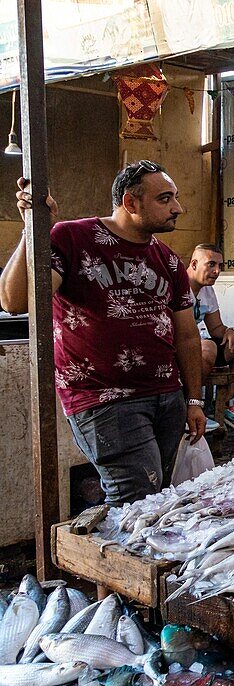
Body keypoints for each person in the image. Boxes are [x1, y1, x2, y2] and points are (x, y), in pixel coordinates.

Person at [0, 160, 205, 506]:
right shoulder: (73, 238)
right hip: (105, 400)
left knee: (155, 498)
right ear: (131, 203)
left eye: (176, 198)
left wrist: (194, 400)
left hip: (166, 396)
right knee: (136, 500)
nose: (178, 208)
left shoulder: (169, 261)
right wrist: (34, 230)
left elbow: (186, 336)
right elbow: (15, 300)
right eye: (165, 199)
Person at [188, 244, 234, 431]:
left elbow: (216, 327)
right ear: (194, 264)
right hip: (177, 351)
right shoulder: (178, 287)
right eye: (211, 264)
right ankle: (192, 407)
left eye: (220, 265)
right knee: (208, 348)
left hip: (198, 346)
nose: (217, 271)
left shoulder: (207, 290)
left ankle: (225, 403)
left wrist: (229, 331)